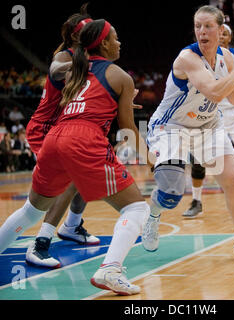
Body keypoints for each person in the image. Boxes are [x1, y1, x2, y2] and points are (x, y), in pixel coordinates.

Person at [0, 19, 151, 295]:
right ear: (103, 43)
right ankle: (110, 269)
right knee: (137, 208)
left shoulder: (78, 70)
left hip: (55, 137)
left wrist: (117, 102)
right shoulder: (116, 74)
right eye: (115, 37)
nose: (119, 42)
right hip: (81, 137)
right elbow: (128, 127)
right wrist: (151, 158)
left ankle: (66, 227)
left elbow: (87, 96)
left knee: (31, 210)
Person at [142, 5, 234, 263]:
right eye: (198, 26)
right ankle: (153, 213)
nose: (202, 32)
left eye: (208, 26)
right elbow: (216, 93)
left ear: (220, 30)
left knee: (232, 180)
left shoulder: (226, 58)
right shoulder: (187, 58)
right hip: (172, 126)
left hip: (208, 125)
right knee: (171, 195)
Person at [24, 5, 99, 269]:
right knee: (67, 181)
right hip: (45, 129)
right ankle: (39, 243)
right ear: (77, 37)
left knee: (86, 173)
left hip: (68, 129)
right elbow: (57, 68)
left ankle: (72, 226)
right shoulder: (66, 57)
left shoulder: (93, 59)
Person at [183, 22, 234, 219]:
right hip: (212, 114)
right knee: (198, 161)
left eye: (225, 33)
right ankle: (196, 201)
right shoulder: (200, 57)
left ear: (229, 38)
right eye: (219, 33)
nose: (221, 36)